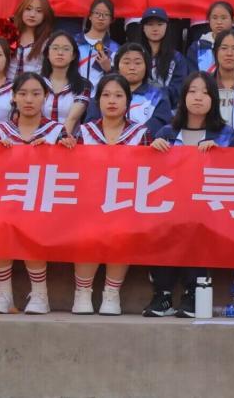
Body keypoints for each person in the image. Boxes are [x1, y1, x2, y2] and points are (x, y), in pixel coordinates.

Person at [147, 72, 234, 318]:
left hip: (209, 208)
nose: (198, 97)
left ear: (214, 100)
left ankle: (193, 293)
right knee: (163, 223)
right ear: (183, 96)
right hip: (170, 205)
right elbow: (152, 173)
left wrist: (221, 156)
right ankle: (162, 294)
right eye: (192, 91)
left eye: (205, 93)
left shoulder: (227, 135)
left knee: (196, 225)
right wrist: (152, 150)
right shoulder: (166, 132)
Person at [0, 72, 69, 315]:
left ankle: (40, 294)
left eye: (36, 94)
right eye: (23, 93)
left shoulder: (57, 130)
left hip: (45, 201)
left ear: (45, 97)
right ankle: (3, 293)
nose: (29, 99)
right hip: (8, 200)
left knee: (33, 225)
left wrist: (58, 150)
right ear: (13, 97)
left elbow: (71, 168)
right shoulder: (1, 130)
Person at [73, 73, 151, 315]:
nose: (112, 101)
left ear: (128, 101)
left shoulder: (141, 133)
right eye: (106, 95)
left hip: (125, 202)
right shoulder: (84, 131)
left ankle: (111, 292)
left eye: (118, 95)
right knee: (86, 233)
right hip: (89, 202)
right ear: (98, 101)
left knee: (122, 232)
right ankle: (83, 291)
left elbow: (147, 171)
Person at [85, 44, 172, 137]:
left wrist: (131, 139)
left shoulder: (158, 96)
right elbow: (92, 126)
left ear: (147, 67)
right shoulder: (103, 94)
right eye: (126, 63)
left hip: (144, 143)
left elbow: (158, 126)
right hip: (105, 144)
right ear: (117, 67)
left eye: (138, 63)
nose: (132, 67)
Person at [40, 31, 91, 137]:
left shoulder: (83, 85)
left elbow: (72, 119)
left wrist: (56, 142)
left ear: (73, 56)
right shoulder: (37, 83)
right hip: (37, 141)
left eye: (66, 49)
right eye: (55, 48)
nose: (60, 53)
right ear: (47, 54)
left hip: (68, 141)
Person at [186, 1, 234, 76]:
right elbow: (192, 76)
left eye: (224, 18)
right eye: (214, 18)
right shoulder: (197, 47)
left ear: (232, 20)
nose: (219, 22)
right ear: (209, 20)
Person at [140, 7, 186, 107]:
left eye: (160, 24)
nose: (155, 29)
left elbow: (179, 89)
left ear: (166, 27)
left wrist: (153, 93)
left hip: (168, 109)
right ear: (143, 28)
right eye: (150, 24)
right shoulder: (136, 56)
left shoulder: (177, 58)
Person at [74, 0, 118, 89]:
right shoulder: (74, 41)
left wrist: (109, 69)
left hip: (100, 96)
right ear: (90, 16)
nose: (101, 18)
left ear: (111, 20)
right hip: (73, 94)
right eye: (97, 13)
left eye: (106, 14)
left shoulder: (115, 48)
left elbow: (119, 81)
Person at [11, 0, 55, 77]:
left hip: (34, 83)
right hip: (6, 84)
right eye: (28, 9)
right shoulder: (8, 34)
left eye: (39, 11)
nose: (32, 15)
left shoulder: (48, 41)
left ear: (45, 15)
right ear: (21, 10)